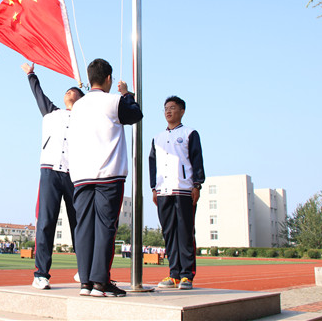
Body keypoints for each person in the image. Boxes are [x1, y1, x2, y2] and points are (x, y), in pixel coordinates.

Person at [68, 58, 143, 297]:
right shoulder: (113, 101)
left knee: (83, 228)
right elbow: (136, 114)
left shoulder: (78, 106)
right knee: (105, 227)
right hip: (108, 174)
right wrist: (127, 94)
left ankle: (85, 283)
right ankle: (100, 282)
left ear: (90, 78)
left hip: (82, 175)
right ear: (108, 79)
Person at [21, 63, 84, 290]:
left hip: (75, 175)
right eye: (67, 91)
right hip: (50, 172)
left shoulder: (86, 119)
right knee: (46, 222)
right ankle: (41, 274)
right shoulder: (52, 113)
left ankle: (85, 270)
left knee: (79, 224)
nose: (69, 92)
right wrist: (31, 75)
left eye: (73, 91)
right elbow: (38, 94)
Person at [149, 95, 205, 290]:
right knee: (169, 233)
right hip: (163, 191)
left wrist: (197, 185)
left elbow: (197, 160)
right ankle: (173, 274)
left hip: (184, 190)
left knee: (185, 233)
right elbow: (153, 164)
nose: (168, 111)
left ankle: (186, 275)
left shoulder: (190, 134)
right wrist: (154, 188)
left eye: (172, 108)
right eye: (166, 108)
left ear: (182, 111)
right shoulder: (157, 138)